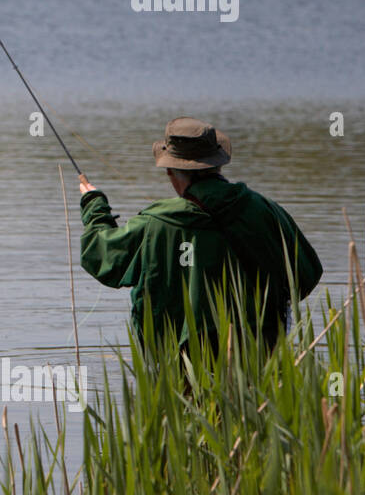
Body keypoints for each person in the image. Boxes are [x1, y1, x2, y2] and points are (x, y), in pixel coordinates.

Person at [77, 117, 322, 351]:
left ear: (171, 171)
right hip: (260, 350)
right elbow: (306, 277)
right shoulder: (266, 210)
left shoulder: (155, 222)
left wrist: (94, 204)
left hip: (181, 358)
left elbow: (101, 255)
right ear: (218, 163)